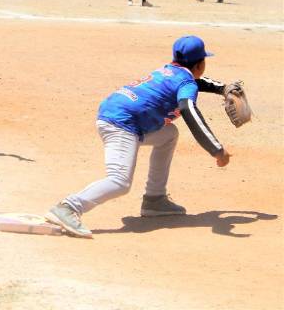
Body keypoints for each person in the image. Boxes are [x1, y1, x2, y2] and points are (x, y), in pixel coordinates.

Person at [45, 36, 233, 238]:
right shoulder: (187, 85)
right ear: (199, 64)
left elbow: (195, 81)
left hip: (118, 114)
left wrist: (222, 88)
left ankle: (155, 199)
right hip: (121, 124)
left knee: (168, 134)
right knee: (119, 181)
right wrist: (216, 149)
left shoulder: (169, 70)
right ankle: (68, 207)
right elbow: (189, 111)